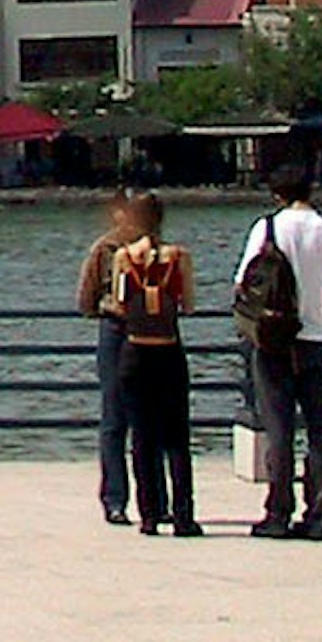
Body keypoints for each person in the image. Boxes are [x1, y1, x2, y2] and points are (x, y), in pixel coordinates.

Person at [238, 163, 322, 540]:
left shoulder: (266, 228)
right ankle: (317, 515)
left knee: (279, 429)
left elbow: (245, 282)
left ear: (277, 194)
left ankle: (278, 512)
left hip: (273, 341)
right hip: (317, 339)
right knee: (320, 432)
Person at [107, 196, 202, 537]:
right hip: (168, 351)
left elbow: (119, 304)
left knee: (142, 437)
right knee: (176, 437)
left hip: (134, 352)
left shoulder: (123, 257)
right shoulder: (179, 257)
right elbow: (188, 304)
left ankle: (148, 515)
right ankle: (183, 514)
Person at [75, 192, 145, 525]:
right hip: (147, 331)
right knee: (139, 420)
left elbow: (86, 300)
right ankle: (143, 498)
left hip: (117, 329)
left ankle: (119, 499)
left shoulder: (106, 248)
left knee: (116, 420)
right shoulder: (157, 247)